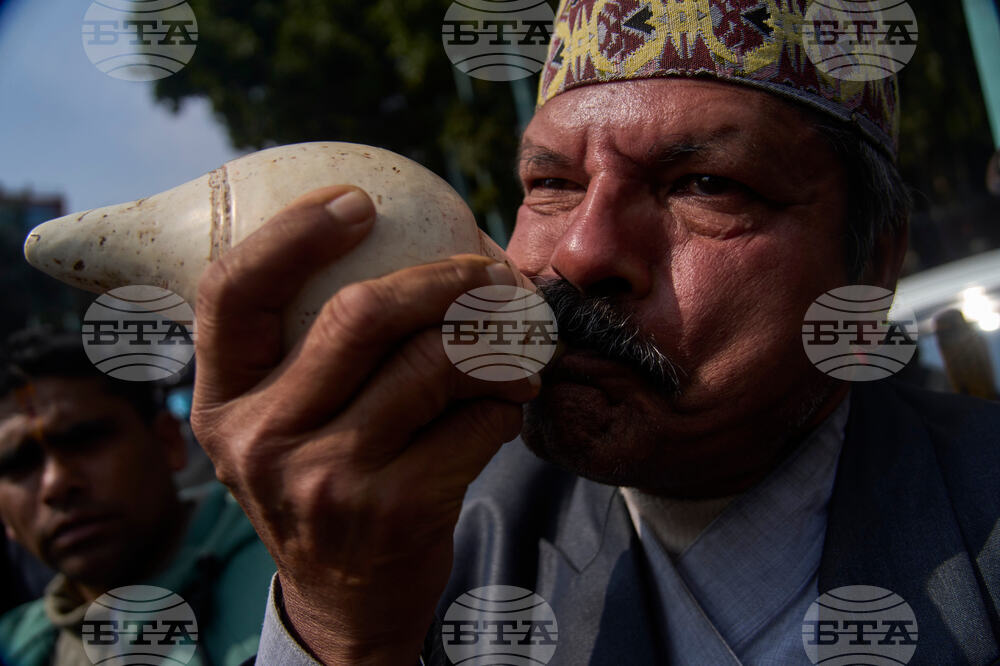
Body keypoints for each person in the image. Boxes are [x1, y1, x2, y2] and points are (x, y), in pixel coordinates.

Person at [187, 0, 1000, 663]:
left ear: (874, 261)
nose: (578, 252)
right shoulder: (426, 549)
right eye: (550, 184)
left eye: (706, 184)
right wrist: (341, 628)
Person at [0, 328, 276, 666]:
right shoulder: (16, 650)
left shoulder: (298, 568)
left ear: (168, 442)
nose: (56, 483)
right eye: (18, 465)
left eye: (85, 441)